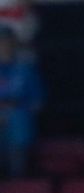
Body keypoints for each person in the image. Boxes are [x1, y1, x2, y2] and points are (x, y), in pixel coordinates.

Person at [0, 26, 42, 176]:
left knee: (17, 175)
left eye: (7, 42)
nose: (4, 46)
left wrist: (14, 110)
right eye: (1, 42)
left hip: (19, 130)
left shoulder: (25, 68)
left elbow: (37, 102)